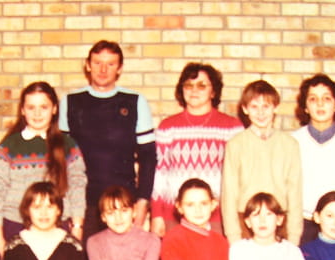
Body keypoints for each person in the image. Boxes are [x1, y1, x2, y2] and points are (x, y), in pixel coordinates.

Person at [58, 39, 156, 239]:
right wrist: (66, 205)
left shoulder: (135, 101)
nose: (103, 70)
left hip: (123, 205)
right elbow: (60, 159)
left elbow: (148, 158)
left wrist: (143, 203)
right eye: (97, 63)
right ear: (88, 65)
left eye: (110, 64)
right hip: (82, 204)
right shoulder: (70, 102)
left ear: (119, 68)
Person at [0, 81, 86, 256]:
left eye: (44, 107)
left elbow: (77, 187)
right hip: (15, 225)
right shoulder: (8, 146)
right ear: (22, 110)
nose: (37, 113)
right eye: (31, 107)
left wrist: (77, 226)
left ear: (54, 109)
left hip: (58, 227)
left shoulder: (68, 145)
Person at [150, 62, 243, 236]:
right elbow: (159, 175)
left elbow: (240, 177)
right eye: (189, 85)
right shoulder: (168, 127)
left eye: (201, 86)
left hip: (218, 217)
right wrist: (157, 215)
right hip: (174, 216)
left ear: (213, 91)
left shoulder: (232, 127)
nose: (194, 90)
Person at [221, 80, 302, 244]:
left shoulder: (290, 144)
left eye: (266, 106)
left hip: (279, 221)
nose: (260, 112)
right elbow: (229, 193)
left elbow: (295, 193)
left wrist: (294, 235)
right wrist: (233, 236)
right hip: (246, 222)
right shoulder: (235, 144)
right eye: (254, 106)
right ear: (245, 109)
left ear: (275, 107)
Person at [291, 74, 335, 245]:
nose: (320, 104)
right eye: (313, 99)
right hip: (303, 225)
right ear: (305, 107)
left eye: (327, 99)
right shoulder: (293, 141)